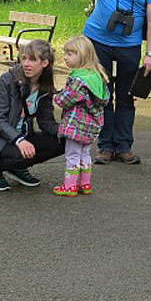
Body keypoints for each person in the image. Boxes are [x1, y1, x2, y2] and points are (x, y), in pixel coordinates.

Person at [23, 0, 151, 165]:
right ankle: (105, 147)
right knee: (101, 95)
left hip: (129, 46)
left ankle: (124, 146)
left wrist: (150, 54)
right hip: (97, 41)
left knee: (127, 97)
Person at [0, 39, 65, 191]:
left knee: (64, 142)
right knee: (22, 154)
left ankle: (17, 168)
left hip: (22, 137)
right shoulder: (7, 81)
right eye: (24, 58)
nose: (26, 64)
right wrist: (19, 140)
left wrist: (67, 131)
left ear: (44, 63)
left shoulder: (45, 87)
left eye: (32, 59)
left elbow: (46, 122)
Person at [52, 36, 110, 196]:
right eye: (65, 53)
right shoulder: (97, 76)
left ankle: (69, 186)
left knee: (72, 154)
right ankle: (85, 184)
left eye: (70, 54)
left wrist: (56, 96)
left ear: (83, 55)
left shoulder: (79, 80)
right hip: (92, 125)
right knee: (85, 154)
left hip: (76, 125)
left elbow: (65, 100)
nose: (65, 58)